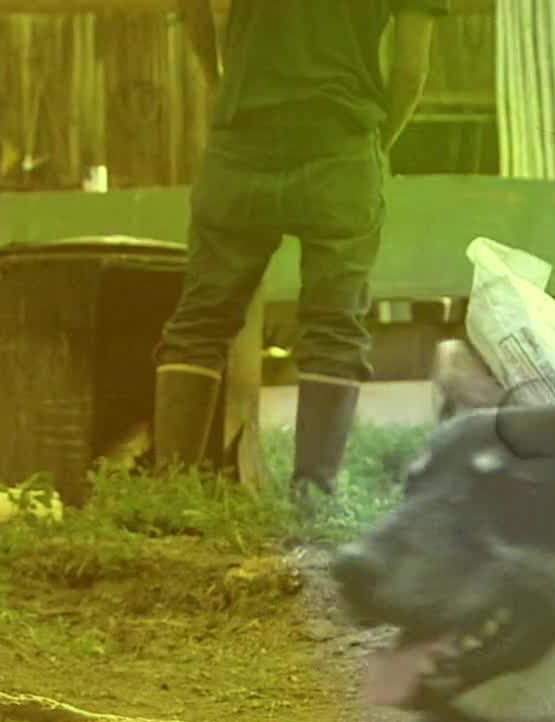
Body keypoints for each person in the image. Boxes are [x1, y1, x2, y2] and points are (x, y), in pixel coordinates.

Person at [154, 0, 443, 500]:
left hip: (244, 136)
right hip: (340, 139)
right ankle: (312, 493)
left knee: (201, 321)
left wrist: (218, 80)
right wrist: (376, 145)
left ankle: (171, 492)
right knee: (334, 325)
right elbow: (410, 70)